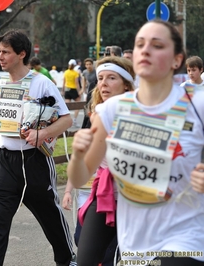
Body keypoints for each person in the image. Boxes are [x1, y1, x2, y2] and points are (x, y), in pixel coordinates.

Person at [68, 19, 204, 265]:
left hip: (181, 219)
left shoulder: (198, 105)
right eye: (140, 44)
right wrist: (77, 155)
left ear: (176, 60)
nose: (146, 50)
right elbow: (80, 178)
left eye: (157, 44)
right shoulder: (111, 109)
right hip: (124, 210)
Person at [0, 29, 76, 266]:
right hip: (5, 163)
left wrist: (43, 133)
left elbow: (67, 119)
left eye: (6, 52)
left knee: (50, 218)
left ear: (21, 54)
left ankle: (66, 259)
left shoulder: (42, 83)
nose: (0, 57)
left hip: (35, 162)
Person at [63, 56, 135, 266]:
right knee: (86, 258)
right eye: (100, 78)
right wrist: (78, 153)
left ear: (126, 84)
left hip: (138, 199)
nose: (103, 83)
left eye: (111, 78)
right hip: (104, 194)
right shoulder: (95, 114)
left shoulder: (140, 114)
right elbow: (81, 174)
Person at [63, 59, 81, 127]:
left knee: (67, 107)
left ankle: (66, 120)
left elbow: (64, 82)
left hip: (67, 89)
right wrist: (79, 91)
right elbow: (76, 83)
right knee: (78, 104)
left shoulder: (66, 72)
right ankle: (74, 120)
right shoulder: (75, 73)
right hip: (73, 89)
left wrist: (63, 90)